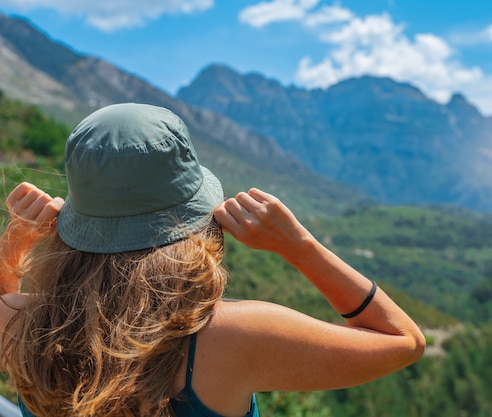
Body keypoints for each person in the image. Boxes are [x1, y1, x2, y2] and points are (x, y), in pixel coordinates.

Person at [0, 103, 425, 417]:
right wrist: (298, 245)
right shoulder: (233, 335)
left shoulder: (23, 324)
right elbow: (403, 342)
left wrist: (15, 244)